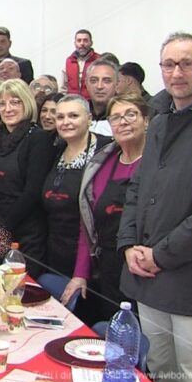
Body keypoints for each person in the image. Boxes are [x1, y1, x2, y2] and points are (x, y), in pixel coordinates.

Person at [117, 32, 192, 382]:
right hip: (148, 275)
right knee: (160, 370)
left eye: (187, 63)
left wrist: (159, 255)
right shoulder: (159, 122)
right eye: (169, 64)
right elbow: (138, 188)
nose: (177, 72)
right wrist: (129, 244)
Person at [62, 93, 149, 322]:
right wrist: (80, 274)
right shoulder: (103, 162)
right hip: (109, 266)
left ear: (146, 120)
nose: (123, 122)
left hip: (146, 268)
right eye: (116, 117)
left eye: (131, 114)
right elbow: (87, 223)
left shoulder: (157, 163)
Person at [0, 79, 55, 276]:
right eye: (2, 103)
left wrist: (1, 230)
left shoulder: (39, 139)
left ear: (27, 103)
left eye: (15, 102)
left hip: (24, 235)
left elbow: (32, 192)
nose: (7, 109)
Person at [41, 95, 110, 282]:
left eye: (73, 116)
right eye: (60, 117)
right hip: (55, 250)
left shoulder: (106, 151)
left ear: (89, 119)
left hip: (89, 255)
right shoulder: (55, 150)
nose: (66, 122)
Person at [86, 58, 118, 137]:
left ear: (117, 84)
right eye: (94, 81)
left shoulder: (124, 118)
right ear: (86, 84)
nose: (99, 86)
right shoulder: (78, 114)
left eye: (106, 81)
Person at [63, 29, 100, 99]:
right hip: (73, 102)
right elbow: (63, 87)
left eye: (85, 40)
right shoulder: (69, 61)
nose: (82, 43)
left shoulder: (98, 60)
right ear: (75, 43)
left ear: (91, 43)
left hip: (92, 103)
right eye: (79, 40)